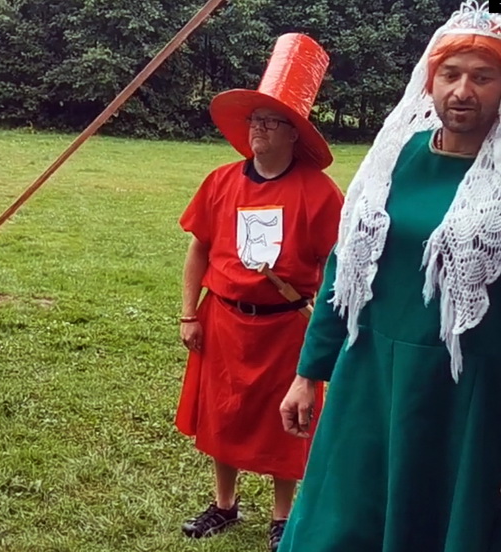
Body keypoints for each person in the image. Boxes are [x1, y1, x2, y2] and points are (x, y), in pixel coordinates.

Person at [278, 3, 501, 551]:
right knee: (342, 521)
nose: (463, 91)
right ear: (430, 81)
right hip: (369, 373)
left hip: (463, 389)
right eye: (450, 75)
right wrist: (308, 373)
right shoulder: (393, 159)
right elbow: (346, 268)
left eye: (483, 77)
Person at [174, 33, 343, 551]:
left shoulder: (318, 192)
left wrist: (324, 327)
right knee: (222, 414)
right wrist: (188, 313)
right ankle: (224, 505)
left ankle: (282, 517)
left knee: (286, 422)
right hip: (224, 319)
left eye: (271, 122)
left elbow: (335, 266)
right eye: (255, 120)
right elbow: (199, 249)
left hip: (287, 326)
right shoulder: (221, 182)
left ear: (294, 134)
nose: (259, 130)